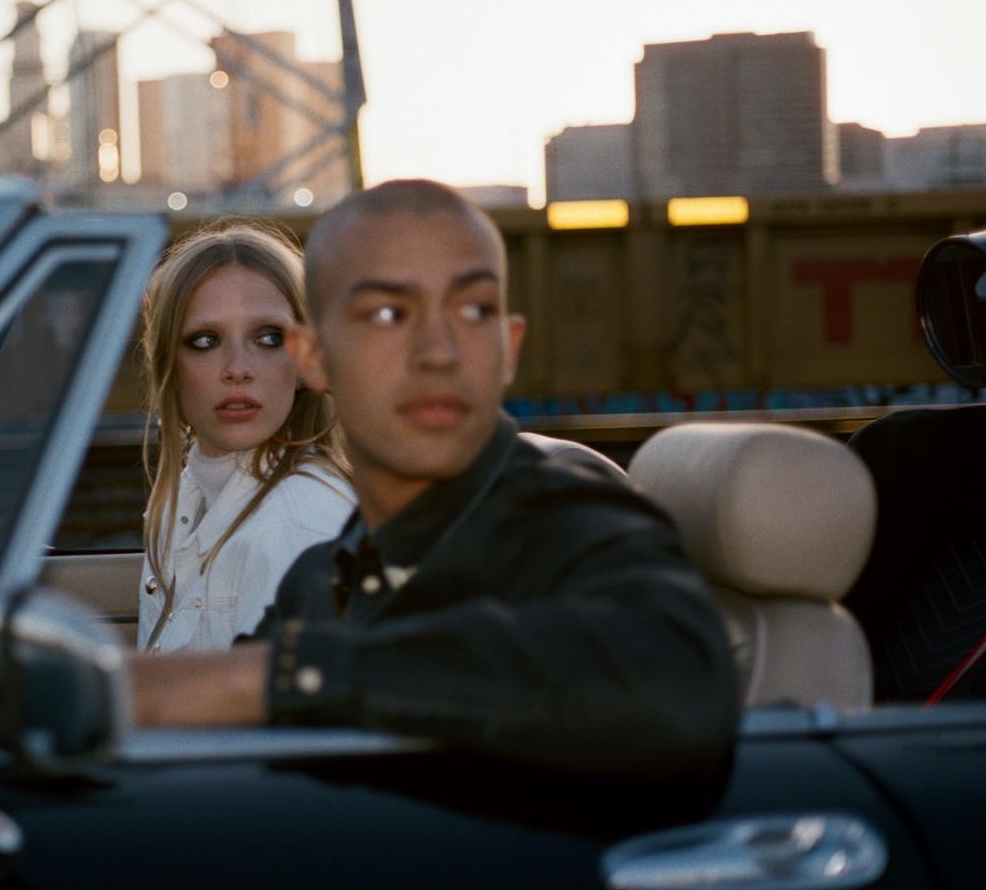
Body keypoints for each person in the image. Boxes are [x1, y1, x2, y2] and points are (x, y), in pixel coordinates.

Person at [129, 179, 739, 779]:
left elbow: (678, 683)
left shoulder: (563, 517)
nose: (438, 351)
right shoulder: (327, 573)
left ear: (508, 346)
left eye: (472, 310)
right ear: (318, 357)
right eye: (387, 315)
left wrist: (278, 678)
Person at [135, 222, 354, 653]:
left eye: (269, 338)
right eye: (205, 340)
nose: (238, 368)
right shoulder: (179, 504)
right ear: (168, 367)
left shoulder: (299, 525)